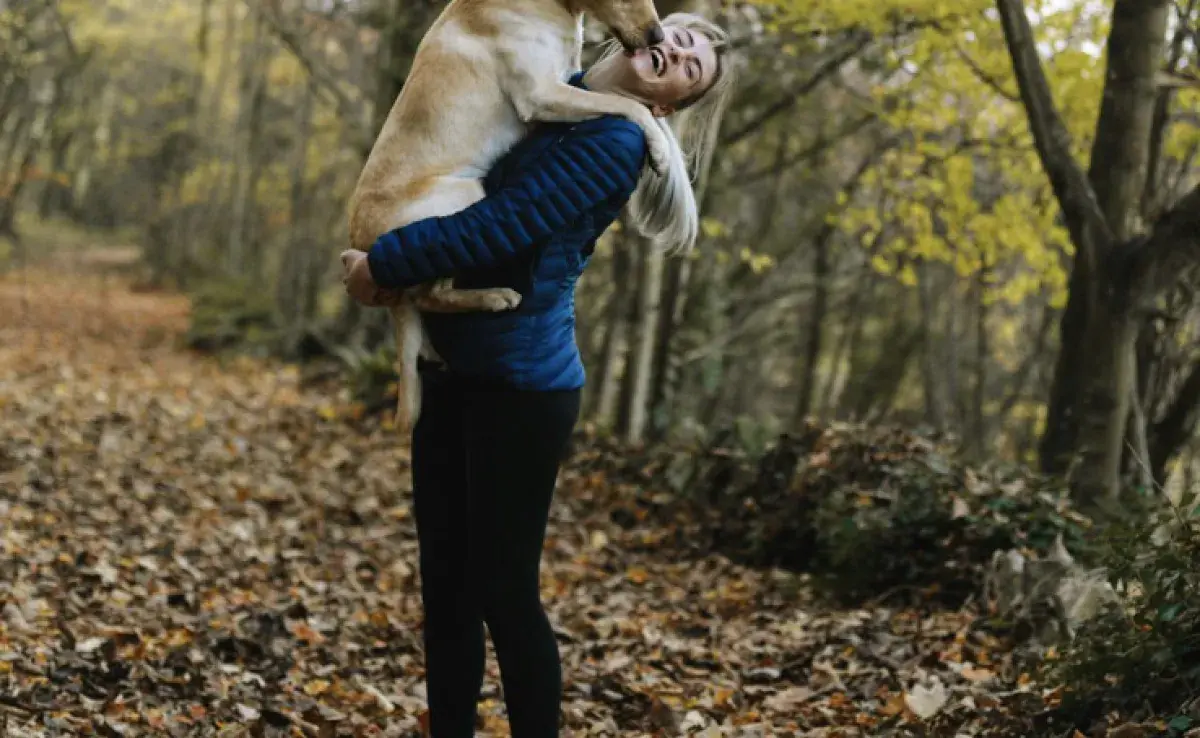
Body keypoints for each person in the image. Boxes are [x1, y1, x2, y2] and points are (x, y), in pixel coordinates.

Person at [340, 13, 733, 738]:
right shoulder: (553, 88)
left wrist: (384, 268)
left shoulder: (615, 137)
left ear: (670, 105)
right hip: (452, 369)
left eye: (689, 67)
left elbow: (502, 226)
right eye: (677, 37)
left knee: (504, 593)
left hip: (523, 391)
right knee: (448, 589)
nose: (675, 53)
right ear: (636, 33)